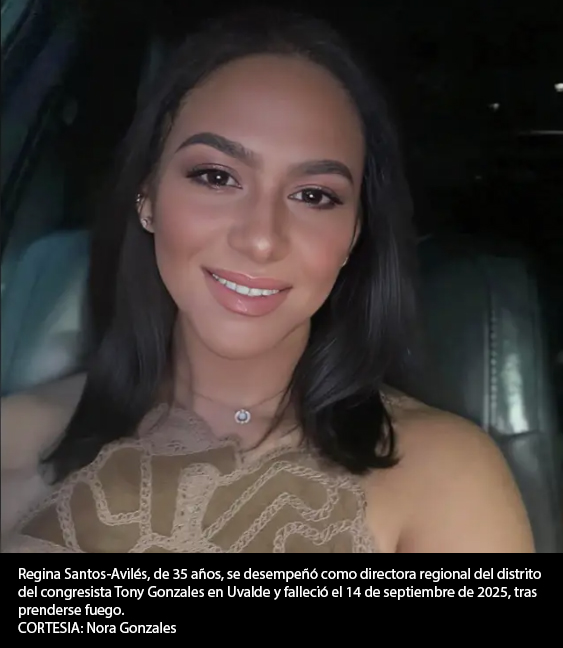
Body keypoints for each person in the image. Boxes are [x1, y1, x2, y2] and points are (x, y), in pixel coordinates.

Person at [1, 7, 533, 553]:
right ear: (148, 197)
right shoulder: (14, 441)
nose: (261, 239)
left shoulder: (447, 477)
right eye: (216, 177)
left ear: (354, 234)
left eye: (314, 195)